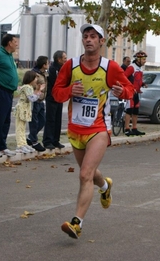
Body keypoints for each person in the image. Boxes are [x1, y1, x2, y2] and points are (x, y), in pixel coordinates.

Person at [53, 23, 135, 239]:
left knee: (84, 174)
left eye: (93, 36)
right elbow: (56, 94)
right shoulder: (70, 66)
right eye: (86, 36)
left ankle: (76, 223)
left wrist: (122, 91)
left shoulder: (110, 67)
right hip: (75, 129)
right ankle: (105, 185)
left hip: (98, 128)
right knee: (89, 174)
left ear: (101, 41)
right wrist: (70, 91)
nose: (88, 39)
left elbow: (130, 90)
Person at [42, 50, 68, 150]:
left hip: (59, 98)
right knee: (50, 119)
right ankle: (47, 141)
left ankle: (55, 140)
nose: (66, 59)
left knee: (58, 119)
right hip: (52, 98)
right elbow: (56, 83)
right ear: (59, 59)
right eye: (64, 58)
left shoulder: (63, 69)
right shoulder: (53, 69)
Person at [14, 71, 45, 154]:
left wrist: (37, 91)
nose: (36, 80)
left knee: (23, 128)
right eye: (35, 78)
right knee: (20, 128)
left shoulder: (29, 87)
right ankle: (20, 145)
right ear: (30, 79)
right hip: (22, 109)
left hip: (25, 110)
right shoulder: (27, 87)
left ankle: (23, 144)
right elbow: (32, 98)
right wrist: (39, 91)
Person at [27, 56, 49, 152]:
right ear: (44, 65)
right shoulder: (34, 74)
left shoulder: (44, 73)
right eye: (47, 63)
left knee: (43, 120)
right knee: (34, 122)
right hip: (35, 100)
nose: (49, 64)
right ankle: (34, 141)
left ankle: (30, 137)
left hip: (41, 100)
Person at [123, 51, 148, 136]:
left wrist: (143, 84)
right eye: (144, 59)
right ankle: (126, 129)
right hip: (130, 92)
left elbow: (137, 80)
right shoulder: (131, 67)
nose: (145, 61)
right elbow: (123, 77)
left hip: (136, 92)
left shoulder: (140, 68)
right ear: (138, 59)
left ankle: (134, 128)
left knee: (136, 111)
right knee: (129, 110)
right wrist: (128, 87)